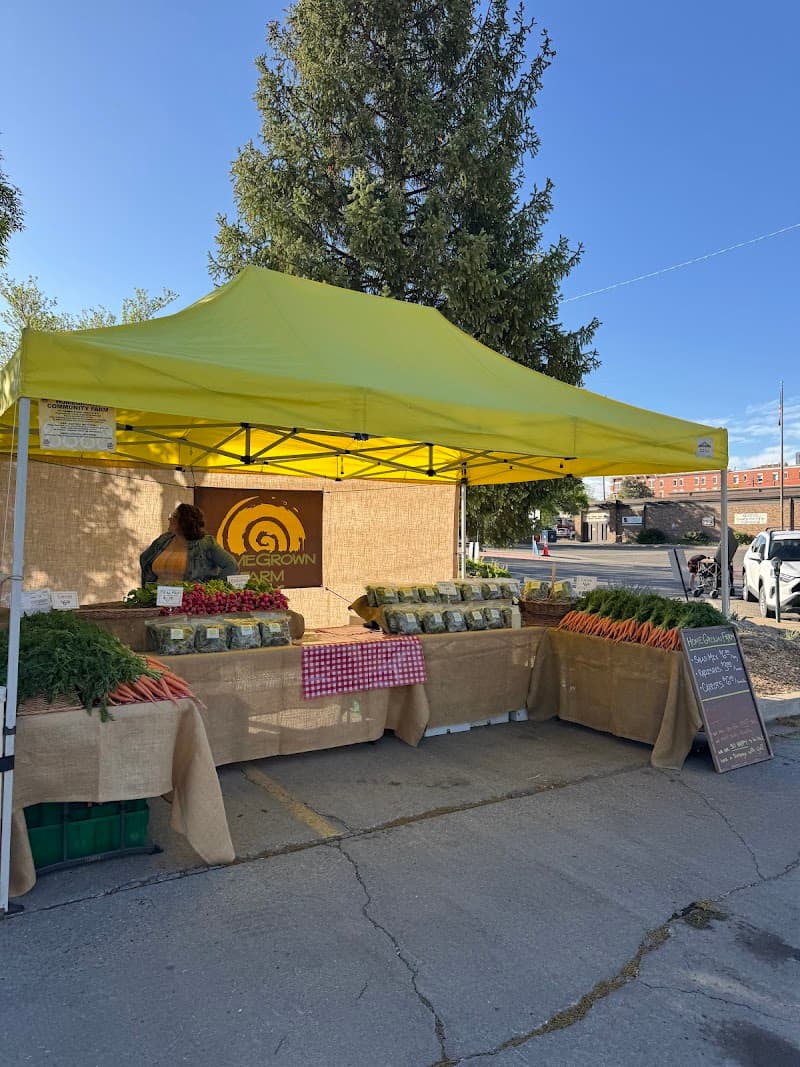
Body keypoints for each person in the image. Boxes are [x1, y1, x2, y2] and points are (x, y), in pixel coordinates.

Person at [140, 503, 238, 586]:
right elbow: (144, 559)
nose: (169, 519)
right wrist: (149, 585)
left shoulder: (206, 543)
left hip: (189, 602)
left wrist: (210, 589)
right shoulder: (163, 540)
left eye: (174, 517)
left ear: (184, 522)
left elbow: (231, 566)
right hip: (159, 599)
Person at [713, 525, 738, 591]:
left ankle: (717, 585)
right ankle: (729, 585)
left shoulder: (725, 540)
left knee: (717, 572)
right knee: (728, 572)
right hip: (727, 561)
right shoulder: (733, 541)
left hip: (719, 562)